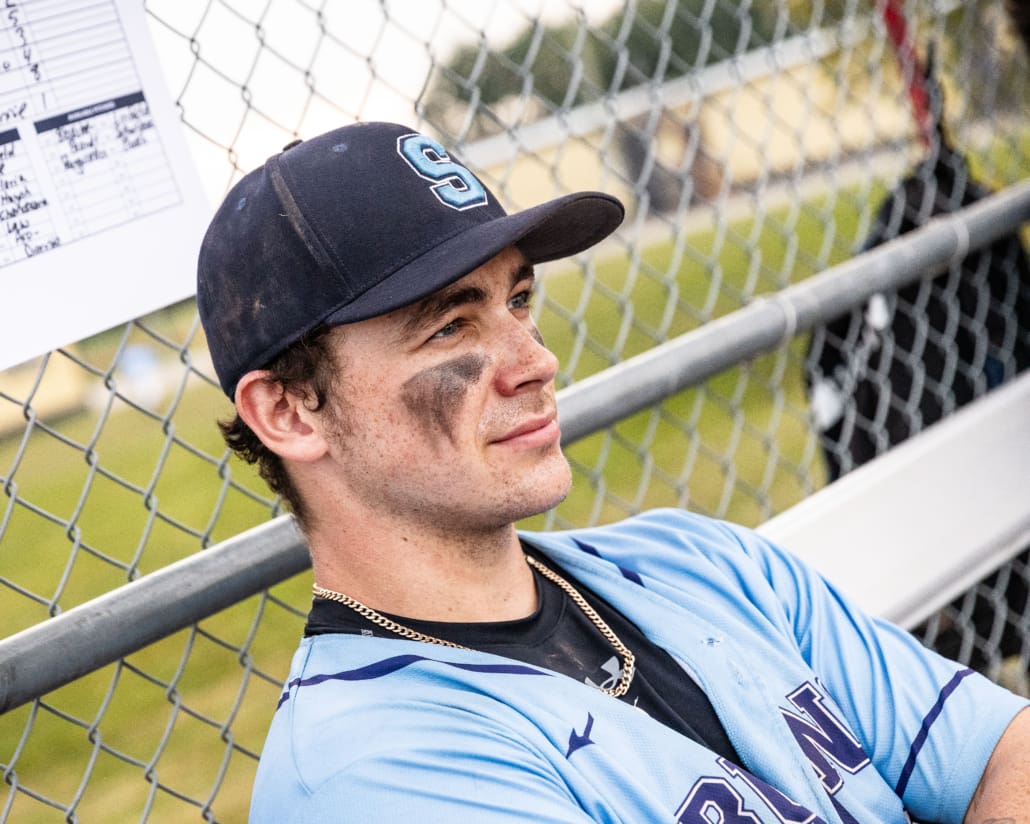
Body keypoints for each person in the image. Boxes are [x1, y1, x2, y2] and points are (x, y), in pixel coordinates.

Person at [196, 121, 1029, 823]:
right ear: (290, 411)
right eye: (450, 327)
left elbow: (1003, 748)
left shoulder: (695, 561)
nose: (536, 360)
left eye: (517, 300)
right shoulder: (372, 772)